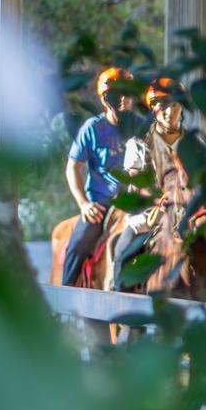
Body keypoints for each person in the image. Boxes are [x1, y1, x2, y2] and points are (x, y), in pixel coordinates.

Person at [62, 66, 133, 286]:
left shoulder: (141, 126)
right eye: (118, 94)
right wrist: (84, 204)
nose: (124, 99)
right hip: (101, 206)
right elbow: (72, 167)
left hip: (135, 204)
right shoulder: (92, 128)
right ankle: (66, 299)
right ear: (105, 99)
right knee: (78, 245)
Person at [111, 77, 183, 289]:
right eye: (162, 107)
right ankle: (123, 313)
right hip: (149, 217)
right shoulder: (138, 144)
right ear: (154, 110)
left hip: (188, 216)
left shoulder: (194, 144)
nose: (169, 112)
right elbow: (134, 183)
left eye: (174, 105)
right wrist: (158, 198)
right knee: (122, 255)